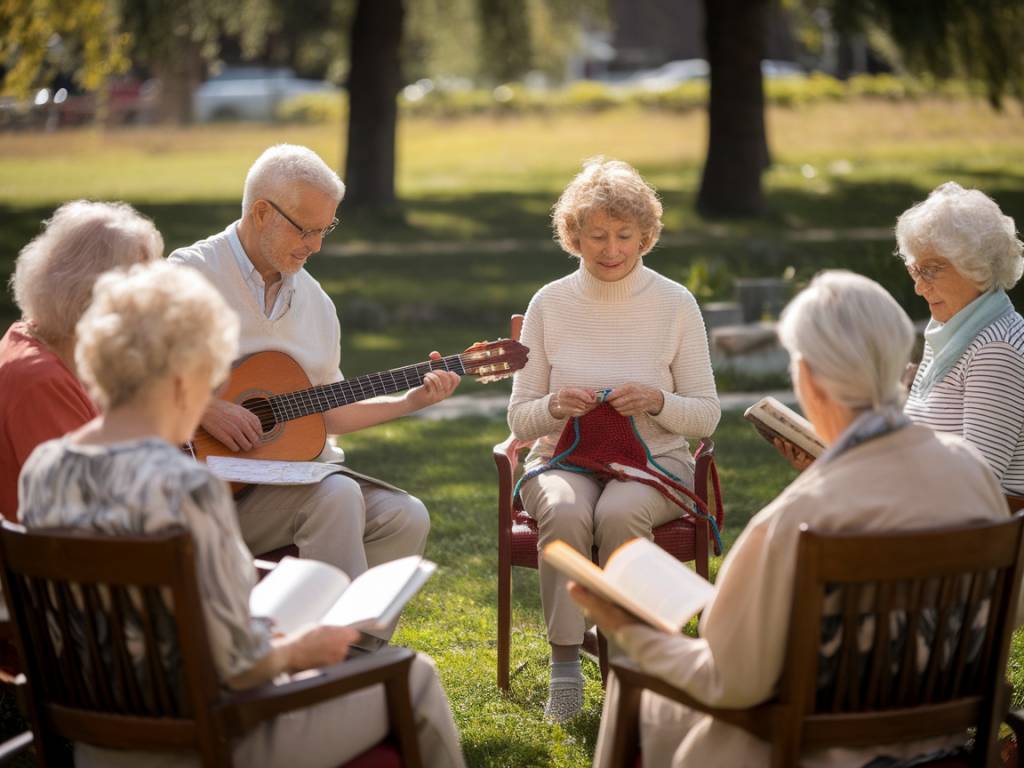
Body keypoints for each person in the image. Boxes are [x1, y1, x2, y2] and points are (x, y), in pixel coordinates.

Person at [17, 261, 465, 768]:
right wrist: (303, 650)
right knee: (413, 675)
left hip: (96, 743)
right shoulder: (186, 487)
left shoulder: (44, 468)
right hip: (206, 739)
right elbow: (237, 664)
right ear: (186, 378)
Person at [572, 271, 1011, 767]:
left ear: (807, 377)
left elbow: (731, 680)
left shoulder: (797, 521)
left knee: (648, 691)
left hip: (811, 751)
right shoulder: (971, 472)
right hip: (943, 743)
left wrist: (629, 628)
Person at [169, 144, 459, 580]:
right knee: (336, 494)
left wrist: (409, 402)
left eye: (326, 229)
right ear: (262, 213)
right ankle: (323, 645)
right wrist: (204, 407)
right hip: (204, 490)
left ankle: (357, 647)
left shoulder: (316, 303)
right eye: (305, 230)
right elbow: (125, 371)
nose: (317, 246)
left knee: (407, 515)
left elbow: (329, 412)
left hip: (292, 480)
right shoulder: (187, 276)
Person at [507, 158, 721, 721]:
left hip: (656, 465)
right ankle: (566, 667)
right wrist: (554, 405)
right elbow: (519, 419)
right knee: (565, 509)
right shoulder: (549, 303)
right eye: (595, 235)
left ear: (646, 235)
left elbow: (706, 417)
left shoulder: (676, 303)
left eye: (624, 235)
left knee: (620, 513)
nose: (610, 248)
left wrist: (656, 402)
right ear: (572, 236)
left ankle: (627, 661)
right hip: (562, 461)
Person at [0, 200, 162, 520]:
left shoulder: (53, 346)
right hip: (76, 562)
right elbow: (86, 511)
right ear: (88, 291)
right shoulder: (40, 380)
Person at [898, 182, 1024, 495]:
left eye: (931, 270)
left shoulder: (997, 349)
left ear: (976, 267)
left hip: (970, 537)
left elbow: (975, 485)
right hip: (937, 523)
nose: (919, 287)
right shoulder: (952, 331)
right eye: (916, 270)